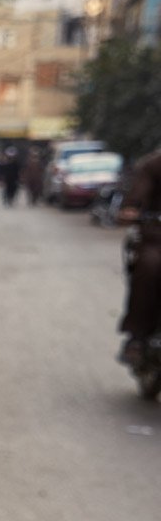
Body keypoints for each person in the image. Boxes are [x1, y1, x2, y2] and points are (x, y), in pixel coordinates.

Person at [118, 148, 161, 366]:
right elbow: (138, 192)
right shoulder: (154, 164)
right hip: (156, 236)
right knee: (150, 266)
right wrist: (132, 208)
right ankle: (137, 337)